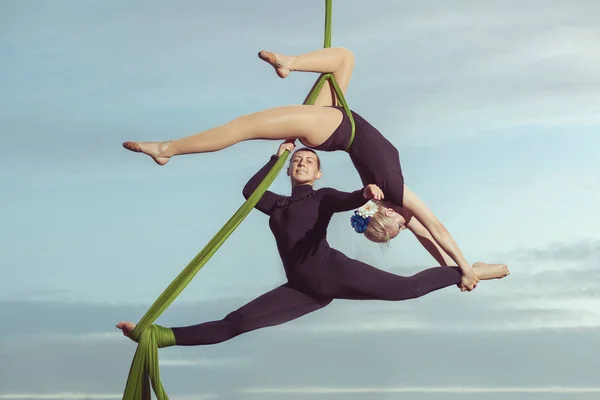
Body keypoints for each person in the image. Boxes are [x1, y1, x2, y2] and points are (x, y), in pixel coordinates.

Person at [122, 47, 479, 290]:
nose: (409, 221)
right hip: (338, 120)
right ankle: (289, 63)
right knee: (343, 59)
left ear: (389, 213)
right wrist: (460, 269)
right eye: (404, 223)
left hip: (333, 128)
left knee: (246, 126)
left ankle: (167, 149)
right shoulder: (391, 195)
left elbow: (435, 230)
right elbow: (431, 236)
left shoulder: (392, 192)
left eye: (401, 223)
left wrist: (462, 269)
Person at [116, 142, 509, 346]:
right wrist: (278, 154)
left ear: (318, 173)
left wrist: (366, 191)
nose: (301, 163)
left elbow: (350, 199)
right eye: (297, 161)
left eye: (308, 161)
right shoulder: (276, 204)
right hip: (303, 289)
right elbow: (250, 189)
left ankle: (466, 271)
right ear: (290, 169)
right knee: (237, 324)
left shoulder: (323, 198)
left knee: (408, 288)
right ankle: (159, 336)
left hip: (331, 271)